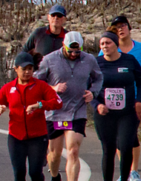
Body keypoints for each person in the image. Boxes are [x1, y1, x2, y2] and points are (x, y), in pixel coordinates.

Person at [35, 31, 101, 181]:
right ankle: (55, 176)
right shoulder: (49, 59)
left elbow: (98, 78)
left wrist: (93, 92)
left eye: (77, 51)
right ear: (63, 45)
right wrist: (53, 88)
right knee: (54, 154)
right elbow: (38, 82)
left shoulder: (89, 60)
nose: (73, 54)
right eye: (70, 51)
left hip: (77, 111)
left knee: (73, 150)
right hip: (55, 113)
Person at [0, 53, 63, 181]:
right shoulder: (8, 88)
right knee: (19, 173)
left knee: (35, 173)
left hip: (38, 137)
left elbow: (58, 102)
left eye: (30, 68)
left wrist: (40, 105)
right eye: (24, 69)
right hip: (16, 137)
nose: (27, 72)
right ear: (16, 69)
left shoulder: (41, 86)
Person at [95, 31, 141, 181]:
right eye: (102, 44)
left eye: (108, 43)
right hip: (105, 114)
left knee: (125, 146)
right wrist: (97, 105)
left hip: (127, 113)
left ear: (116, 44)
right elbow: (88, 89)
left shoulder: (129, 60)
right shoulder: (96, 63)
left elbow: (140, 81)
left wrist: (139, 100)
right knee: (108, 150)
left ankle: (125, 177)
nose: (105, 46)